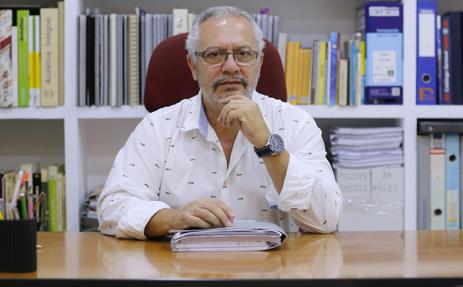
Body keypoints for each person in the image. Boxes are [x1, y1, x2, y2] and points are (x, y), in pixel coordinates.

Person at [97, 6, 342, 239]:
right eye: (214, 55)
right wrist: (173, 218)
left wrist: (268, 145)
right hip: (180, 272)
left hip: (268, 272)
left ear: (259, 64)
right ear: (194, 66)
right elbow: (112, 209)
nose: (231, 66)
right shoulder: (157, 127)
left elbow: (325, 220)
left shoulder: (296, 123)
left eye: (244, 54)